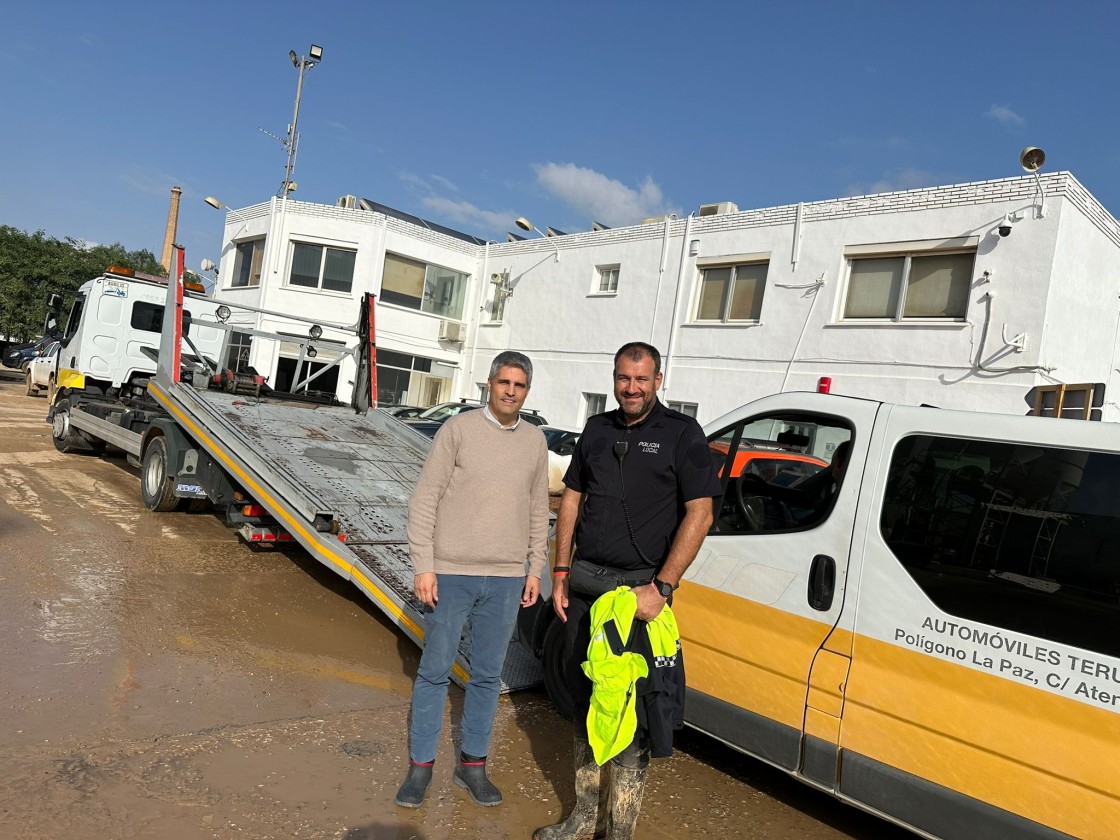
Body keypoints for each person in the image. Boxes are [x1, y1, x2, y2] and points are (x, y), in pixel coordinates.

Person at [534, 342, 721, 840]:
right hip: (585, 590)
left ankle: (619, 832)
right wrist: (559, 571)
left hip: (638, 601)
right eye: (623, 378)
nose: (631, 388)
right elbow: (572, 497)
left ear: (658, 380)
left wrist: (662, 587)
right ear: (613, 379)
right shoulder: (597, 430)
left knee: (634, 715)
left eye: (641, 379)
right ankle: (581, 818)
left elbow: (700, 513)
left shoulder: (682, 434)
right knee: (584, 703)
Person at [395, 351, 549, 809]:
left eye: (519, 385)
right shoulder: (457, 430)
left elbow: (538, 508)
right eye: (503, 382)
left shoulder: (535, 441)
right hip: (451, 573)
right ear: (488, 384)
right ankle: (420, 767)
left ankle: (472, 767)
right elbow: (425, 499)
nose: (510, 391)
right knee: (434, 672)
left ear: (526, 391)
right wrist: (424, 564)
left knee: (486, 677)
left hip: (505, 580)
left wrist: (533, 567)